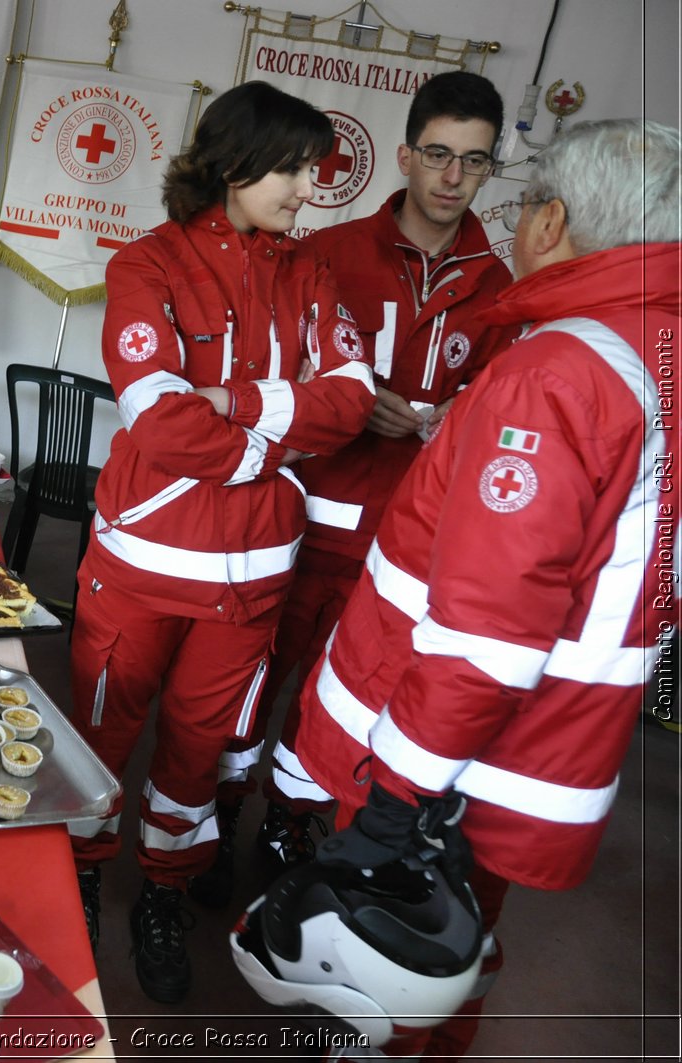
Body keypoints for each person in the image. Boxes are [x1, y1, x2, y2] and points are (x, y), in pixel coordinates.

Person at [286, 118, 680, 1057]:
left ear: (550, 220)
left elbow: (489, 629)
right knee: (450, 960)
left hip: (447, 763)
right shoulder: (657, 348)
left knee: (384, 973)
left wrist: (396, 801)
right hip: (547, 740)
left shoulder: (559, 371)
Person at [68, 80, 375, 1003]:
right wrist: (274, 445)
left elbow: (353, 402)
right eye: (288, 167)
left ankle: (162, 889)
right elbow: (159, 423)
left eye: (310, 170)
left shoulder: (310, 272)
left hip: (254, 582)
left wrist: (238, 406)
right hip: (143, 566)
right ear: (231, 162)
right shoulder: (149, 264)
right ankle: (74, 872)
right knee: (99, 734)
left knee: (198, 754)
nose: (303, 188)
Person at [193, 72, 519, 907]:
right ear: (406, 155)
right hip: (300, 519)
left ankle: (290, 819)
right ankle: (217, 816)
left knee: (345, 701)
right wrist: (336, 392)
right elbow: (265, 367)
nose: (452, 178)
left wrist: (462, 412)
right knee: (250, 677)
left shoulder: (497, 285)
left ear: (491, 170)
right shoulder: (325, 251)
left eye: (474, 162)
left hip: (405, 546)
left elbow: (506, 402)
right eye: (439, 155)